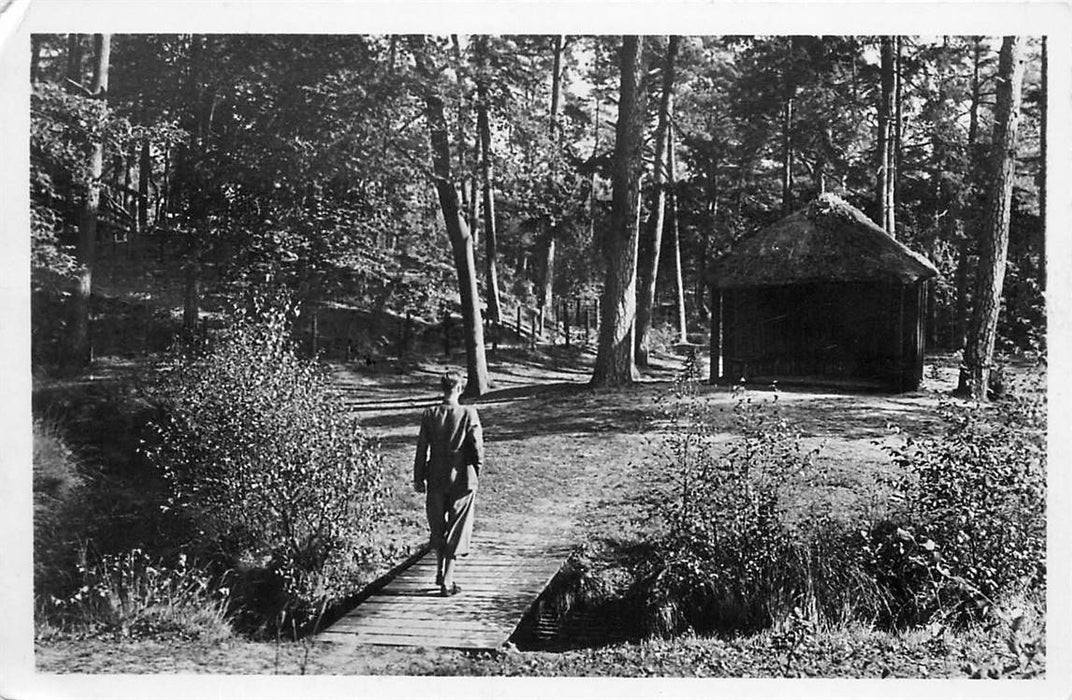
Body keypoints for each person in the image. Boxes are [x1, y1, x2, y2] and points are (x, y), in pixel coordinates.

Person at [413, 372, 484, 597]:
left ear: (442, 389)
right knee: (457, 527)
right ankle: (447, 579)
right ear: (460, 389)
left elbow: (422, 448)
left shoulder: (430, 414)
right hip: (462, 477)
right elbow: (477, 449)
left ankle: (438, 570)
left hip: (435, 475)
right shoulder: (469, 413)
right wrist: (477, 471)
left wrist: (418, 476)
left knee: (437, 525)